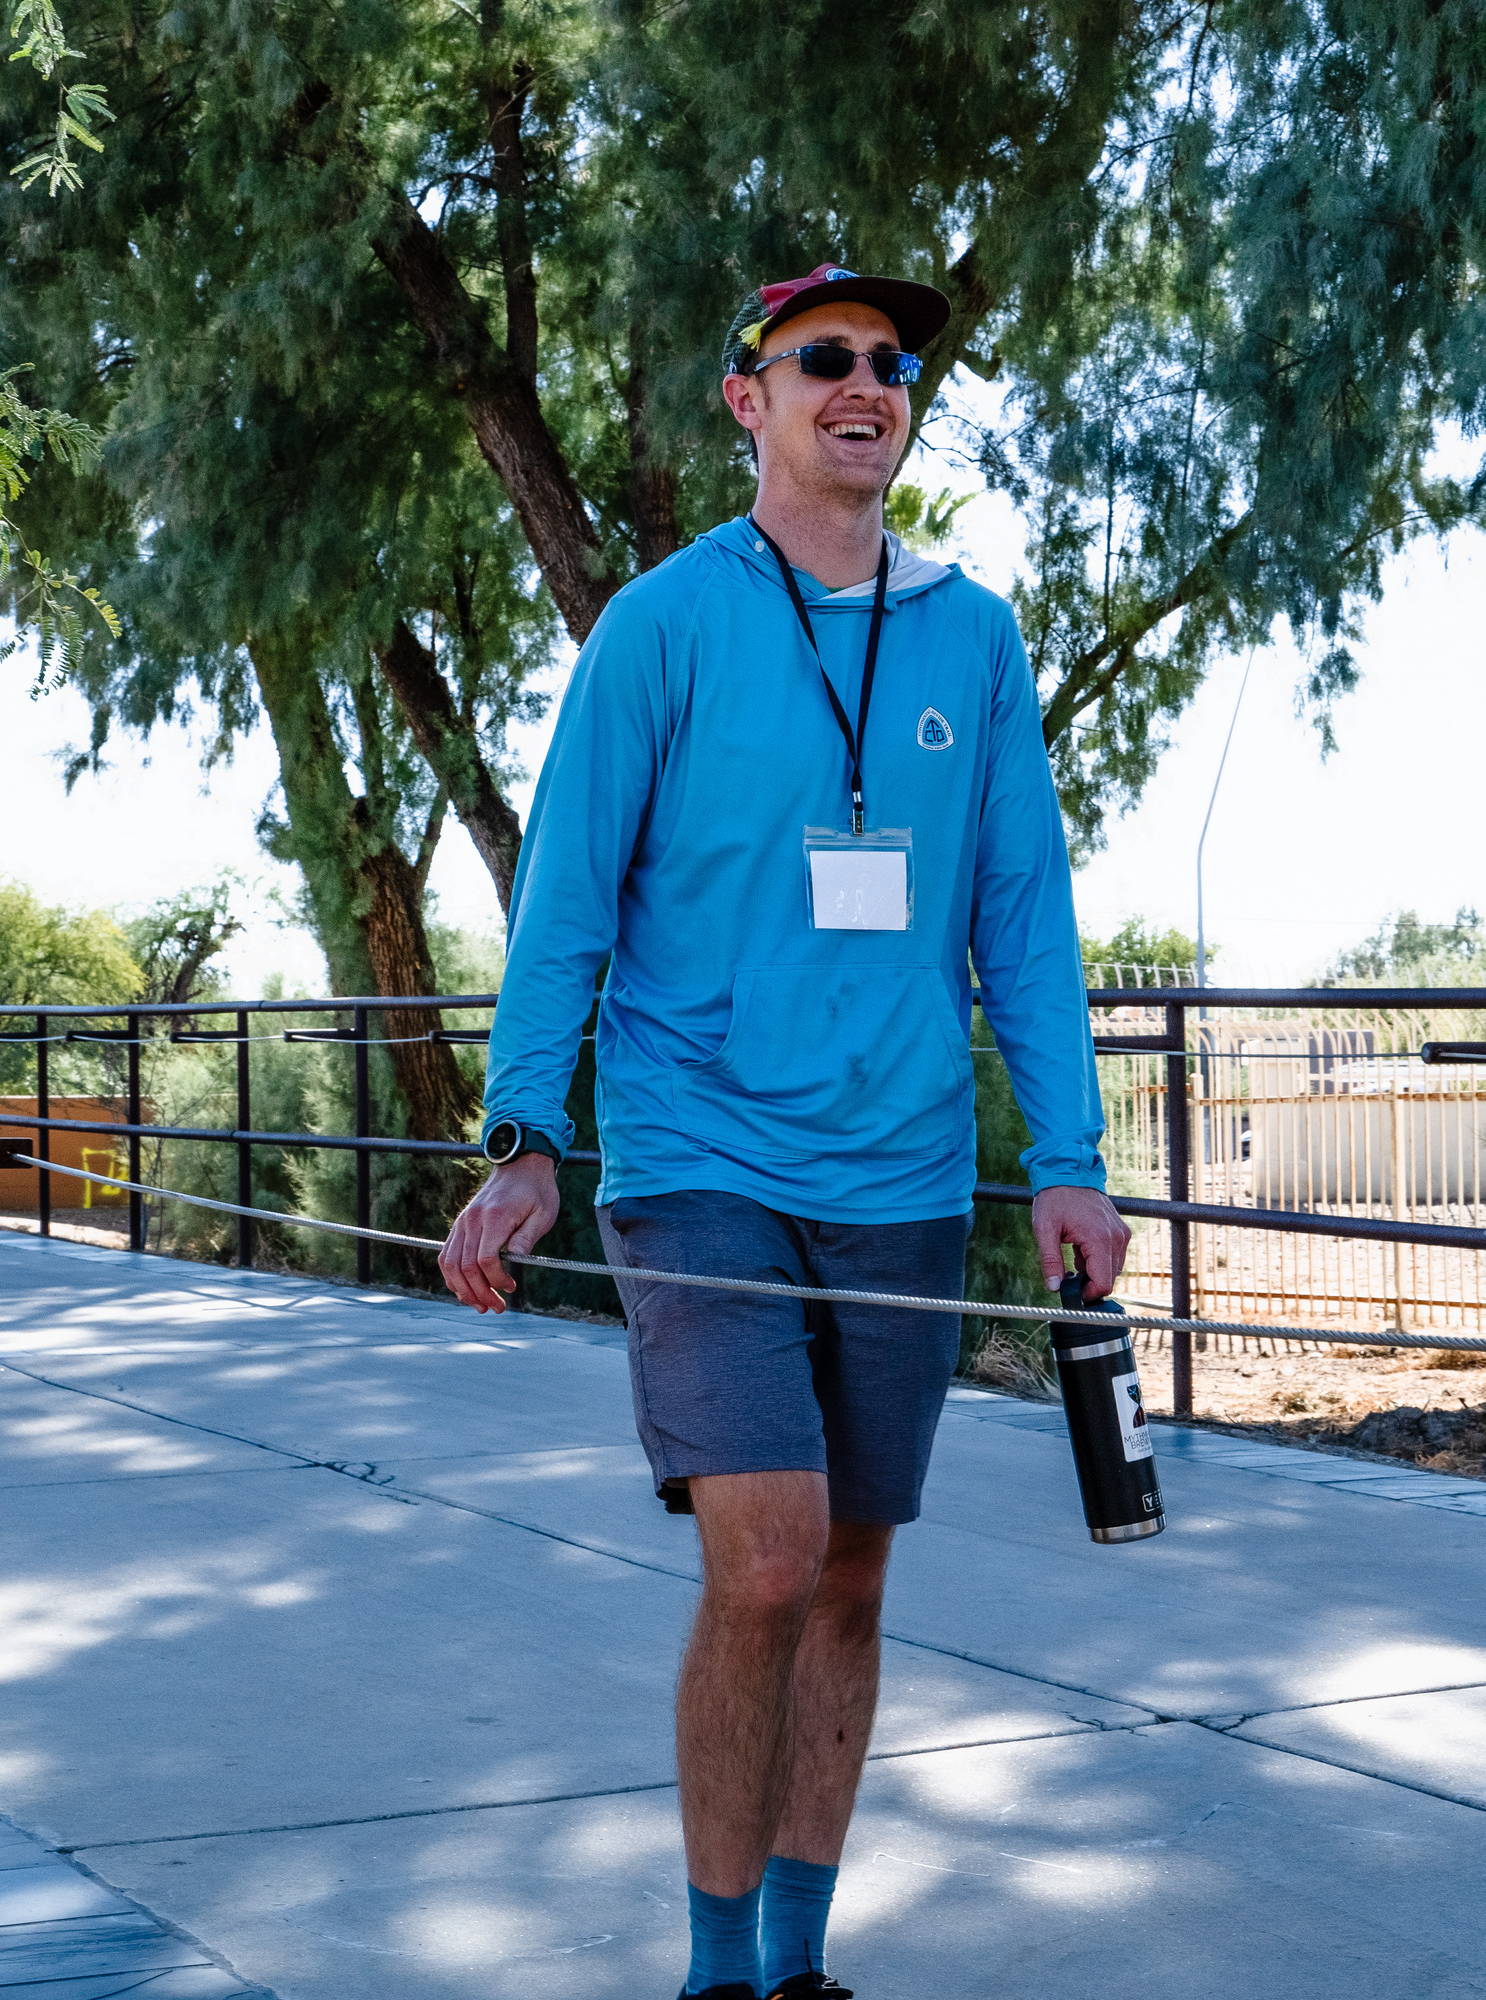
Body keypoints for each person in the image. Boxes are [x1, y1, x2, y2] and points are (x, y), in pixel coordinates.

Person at [440, 264, 1130, 2000]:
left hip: (899, 1166)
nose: (866, 384)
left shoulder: (970, 631)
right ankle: (713, 1974)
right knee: (763, 1555)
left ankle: (800, 1964)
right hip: (700, 1161)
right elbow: (568, 894)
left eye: (892, 365)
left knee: (849, 1579)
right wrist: (530, 1132)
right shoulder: (664, 628)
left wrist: (1068, 1154)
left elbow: (1022, 912)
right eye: (824, 359)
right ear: (746, 399)